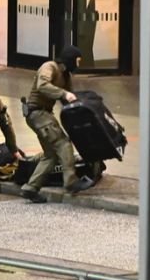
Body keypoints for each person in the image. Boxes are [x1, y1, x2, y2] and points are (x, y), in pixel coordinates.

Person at [19, 45, 95, 203]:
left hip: (42, 114)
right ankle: (71, 182)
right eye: (77, 61)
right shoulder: (49, 67)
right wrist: (64, 94)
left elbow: (69, 100)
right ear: (70, 59)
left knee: (51, 155)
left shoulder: (66, 75)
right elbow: (43, 86)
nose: (78, 65)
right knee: (63, 144)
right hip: (38, 113)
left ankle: (30, 188)